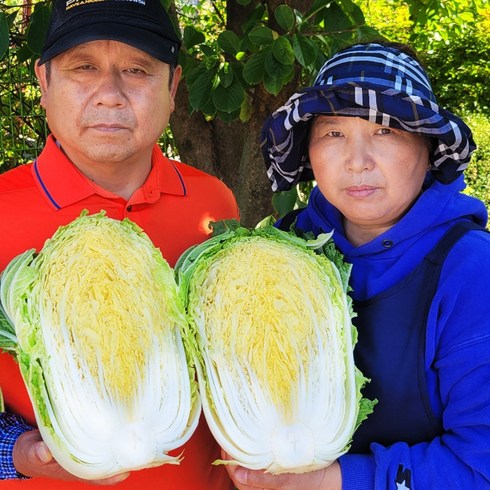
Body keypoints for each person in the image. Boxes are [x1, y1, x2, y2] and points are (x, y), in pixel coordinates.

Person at [225, 42, 490, 489]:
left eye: (386, 132)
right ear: (309, 153)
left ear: (428, 148)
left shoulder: (471, 271)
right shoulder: (280, 253)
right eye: (333, 134)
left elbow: (480, 466)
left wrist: (330, 481)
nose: (357, 161)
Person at [0, 0, 239, 488]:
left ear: (172, 87)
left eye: (136, 70)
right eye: (83, 68)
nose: (109, 94)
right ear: (43, 83)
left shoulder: (214, 202)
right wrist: (18, 452)